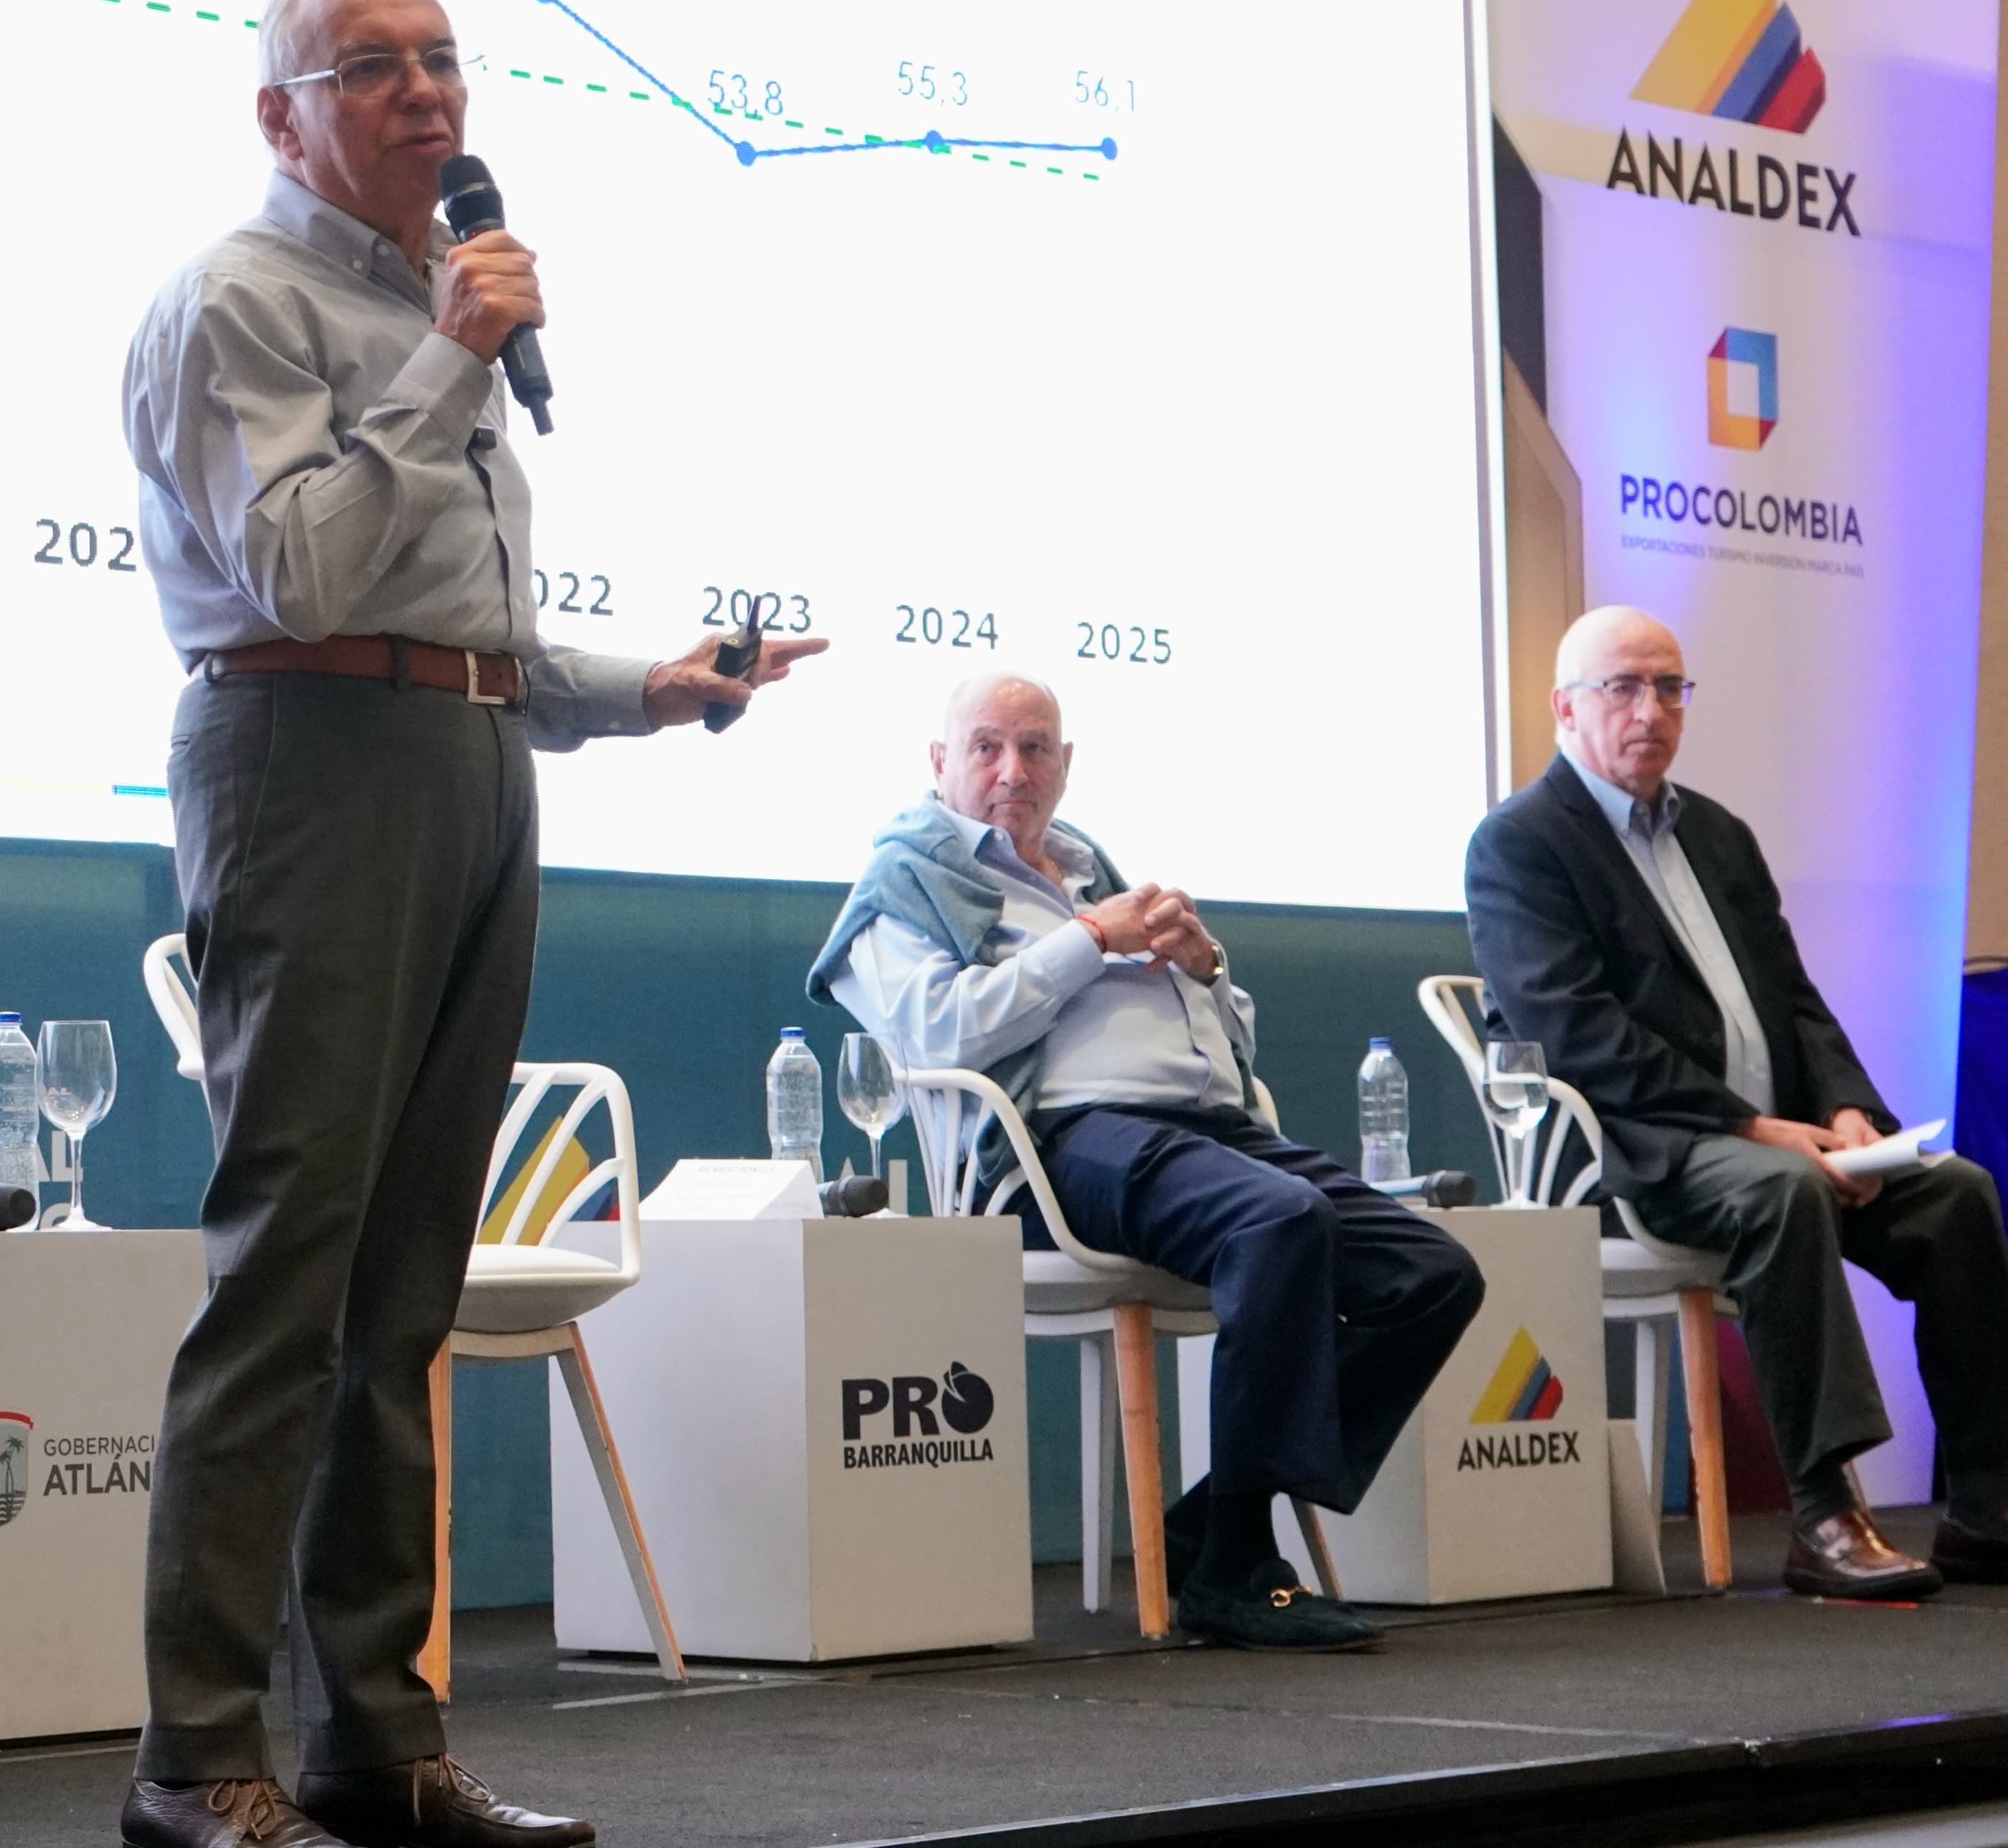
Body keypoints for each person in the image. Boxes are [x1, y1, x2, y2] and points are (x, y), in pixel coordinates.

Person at [118, 0, 822, 1848]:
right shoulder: (235, 303)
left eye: (445, 60)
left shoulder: (427, 308)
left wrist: (648, 693)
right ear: (283, 112)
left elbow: (458, 633)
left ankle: (375, 1740)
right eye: (376, 67)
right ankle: (197, 1761)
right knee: (287, 1276)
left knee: (402, 1290)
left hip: (471, 771)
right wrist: (445, 354)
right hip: (305, 772)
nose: (431, 94)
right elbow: (298, 572)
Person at [809, 672, 1484, 1652]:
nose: (1013, 770)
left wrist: (1207, 966)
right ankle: (1240, 1565)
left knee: (1433, 1275)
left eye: (1036, 748)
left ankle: (1208, 1522)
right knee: (1279, 1221)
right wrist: (1088, 941)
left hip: (1207, 1129)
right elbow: (935, 1034)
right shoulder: (903, 888)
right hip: (1060, 1149)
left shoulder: (1092, 870)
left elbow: (1232, 1046)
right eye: (987, 747)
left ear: (1066, 764)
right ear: (939, 762)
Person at [1465, 605, 2008, 1598]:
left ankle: (1988, 1505)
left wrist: (1850, 1114)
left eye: (1669, 687)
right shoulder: (1520, 843)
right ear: (1564, 710)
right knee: (1782, 1194)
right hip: (1646, 1150)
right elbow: (1581, 1036)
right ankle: (1825, 1514)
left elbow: (1796, 1003)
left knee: (1960, 1193)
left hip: (1783, 1136)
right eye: (1622, 688)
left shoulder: (1717, 833)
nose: (1650, 711)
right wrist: (1755, 1127)